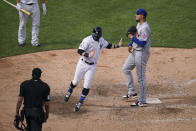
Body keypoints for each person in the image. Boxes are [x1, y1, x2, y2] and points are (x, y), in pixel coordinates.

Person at [64, 26, 123, 112]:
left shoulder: (101, 40)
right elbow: (79, 51)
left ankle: (80, 102)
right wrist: (88, 55)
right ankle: (69, 92)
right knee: (75, 81)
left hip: (92, 67)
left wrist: (118, 46)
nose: (96, 38)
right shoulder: (87, 40)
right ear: (92, 34)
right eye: (95, 36)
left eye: (97, 36)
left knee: (87, 86)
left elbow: (109, 45)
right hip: (82, 64)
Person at [122, 8, 151, 107]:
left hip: (141, 54)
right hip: (135, 52)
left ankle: (142, 100)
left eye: (137, 14)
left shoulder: (145, 28)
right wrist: (131, 44)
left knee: (141, 77)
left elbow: (142, 43)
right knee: (125, 69)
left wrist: (131, 37)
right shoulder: (139, 25)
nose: (135, 15)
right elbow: (137, 37)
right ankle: (132, 92)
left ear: (142, 16)